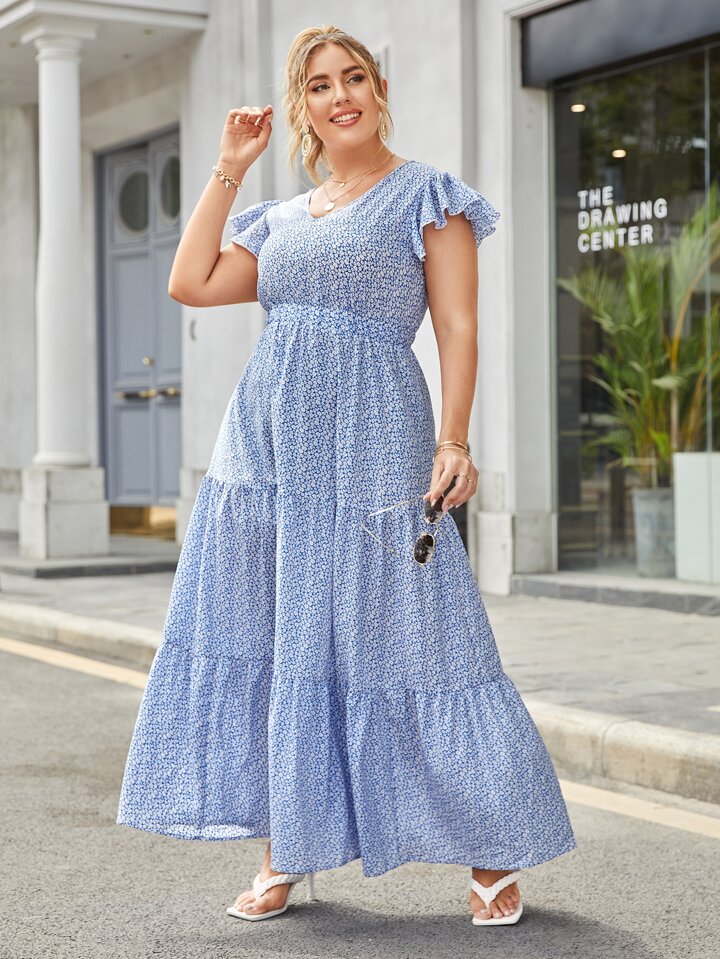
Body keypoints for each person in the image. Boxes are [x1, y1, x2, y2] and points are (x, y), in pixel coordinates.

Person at [116, 23, 576, 927]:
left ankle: (493, 845)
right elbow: (191, 281)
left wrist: (454, 439)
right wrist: (229, 167)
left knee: (423, 633)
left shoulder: (426, 196)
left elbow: (458, 327)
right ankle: (286, 845)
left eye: (353, 77)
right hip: (270, 450)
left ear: (379, 88)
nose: (340, 96)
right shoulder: (281, 218)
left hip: (377, 437)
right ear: (303, 108)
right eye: (320, 85)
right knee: (280, 636)